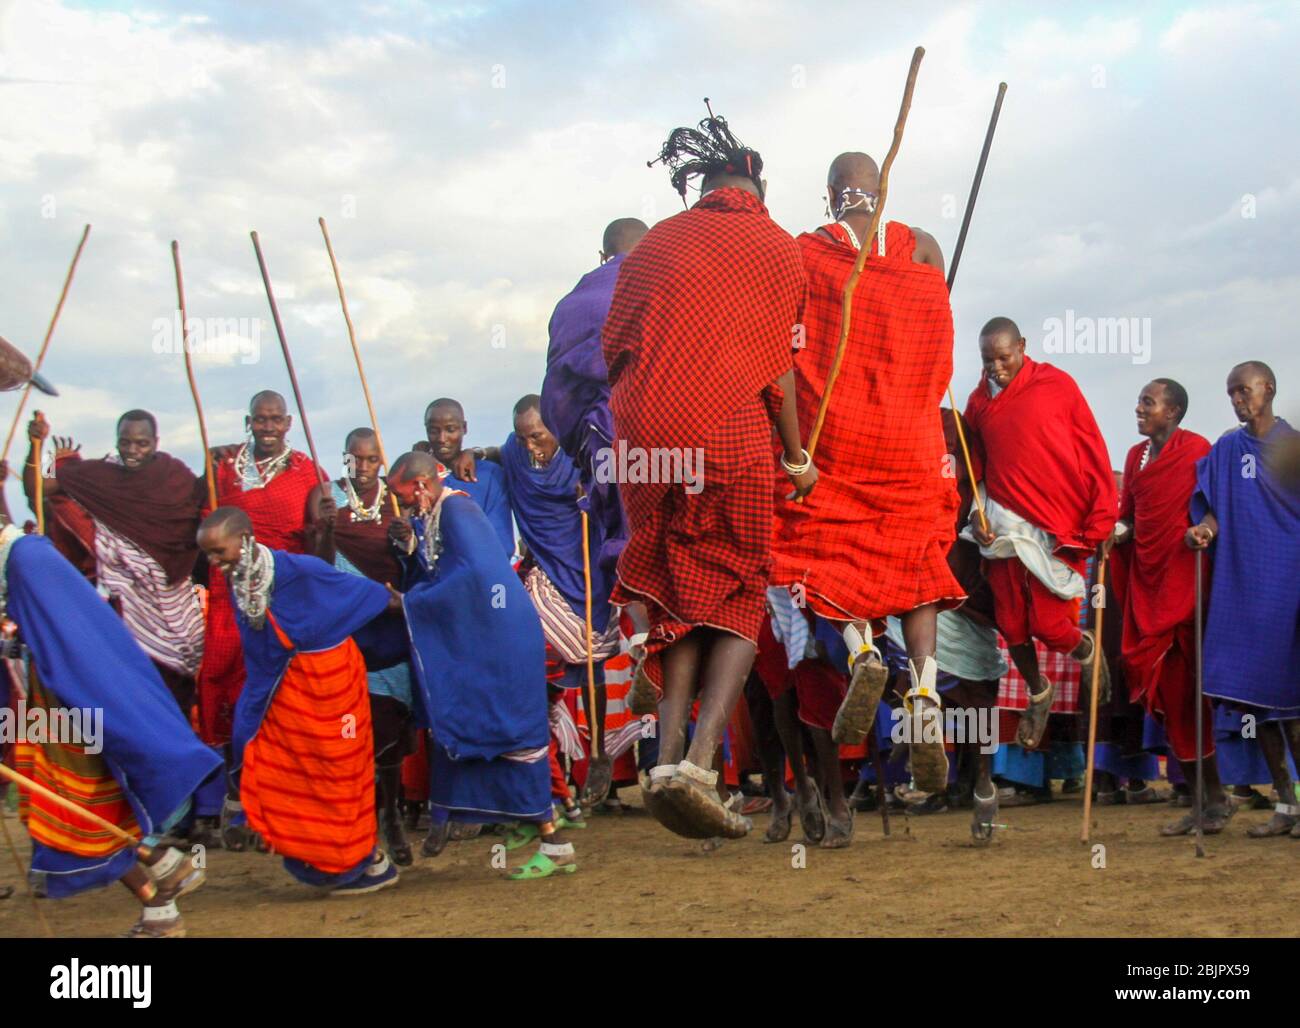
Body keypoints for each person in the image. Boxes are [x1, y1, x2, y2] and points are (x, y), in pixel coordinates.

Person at [602, 107, 816, 839]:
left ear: (705, 184)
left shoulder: (654, 244)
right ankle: (698, 762)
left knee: (674, 595)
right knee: (738, 594)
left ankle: (661, 763)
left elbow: (615, 348)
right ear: (755, 186)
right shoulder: (777, 249)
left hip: (646, 445)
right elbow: (779, 374)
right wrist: (796, 457)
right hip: (728, 442)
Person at [769, 151, 964, 808]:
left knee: (826, 547)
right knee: (915, 563)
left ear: (831, 197)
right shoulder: (925, 247)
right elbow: (937, 349)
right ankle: (927, 690)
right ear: (884, 191)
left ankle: (859, 653)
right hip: (911, 439)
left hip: (841, 436)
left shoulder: (805, 252)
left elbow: (788, 350)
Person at [2, 521, 220, 937]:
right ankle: (159, 865)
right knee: (72, 806)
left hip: (69, 704)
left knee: (71, 810)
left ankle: (160, 898)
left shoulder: (28, 560)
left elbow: (75, 646)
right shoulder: (19, 559)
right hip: (53, 704)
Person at [387, 451, 576, 879]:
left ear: (420, 486)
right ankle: (513, 820)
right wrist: (410, 550)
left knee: (512, 732)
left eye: (404, 498)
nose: (405, 508)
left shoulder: (458, 510)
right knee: (468, 723)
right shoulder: (435, 516)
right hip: (480, 640)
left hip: (501, 641)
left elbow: (476, 576)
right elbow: (441, 569)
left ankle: (555, 840)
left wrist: (411, 603)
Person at [197, 506, 401, 894]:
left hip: (333, 686)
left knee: (339, 775)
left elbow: (365, 594)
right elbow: (260, 655)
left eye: (218, 552)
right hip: (288, 696)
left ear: (243, 540)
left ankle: (365, 858)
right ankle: (332, 860)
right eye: (208, 554)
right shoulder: (243, 583)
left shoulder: (299, 571)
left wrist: (419, 609)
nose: (213, 562)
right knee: (294, 775)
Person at [962, 318, 1116, 753]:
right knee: (1010, 624)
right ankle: (1038, 691)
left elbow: (1092, 447)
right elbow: (977, 467)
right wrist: (976, 514)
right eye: (988, 360)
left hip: (1054, 523)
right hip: (1002, 525)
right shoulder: (976, 403)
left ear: (1023, 347)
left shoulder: (1056, 385)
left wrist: (1102, 516)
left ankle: (1085, 649)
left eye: (1004, 357)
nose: (996, 368)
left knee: (1049, 625)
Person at [1103, 380, 1226, 833]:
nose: (1138, 409)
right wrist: (1115, 533)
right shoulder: (1135, 458)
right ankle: (1203, 801)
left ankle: (1216, 799)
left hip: (1187, 583)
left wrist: (1205, 531)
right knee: (1171, 699)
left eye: (1148, 403)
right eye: (1139, 401)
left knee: (1194, 694)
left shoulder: (1197, 449)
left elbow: (1216, 507)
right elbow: (1131, 519)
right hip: (1149, 585)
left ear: (1172, 411)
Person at [201, 390, 321, 845]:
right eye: (260, 420)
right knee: (224, 688)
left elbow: (315, 543)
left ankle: (280, 809)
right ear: (248, 421)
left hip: (281, 601)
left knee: (281, 700)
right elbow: (205, 530)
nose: (268, 427)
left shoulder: (308, 473)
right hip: (228, 599)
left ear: (288, 423)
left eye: (275, 420)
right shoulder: (223, 470)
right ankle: (234, 801)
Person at [25, 410, 206, 712]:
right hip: (123, 601)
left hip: (172, 600)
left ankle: (179, 745)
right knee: (130, 682)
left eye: (142, 443)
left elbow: (198, 516)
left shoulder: (175, 476)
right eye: (126, 443)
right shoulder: (98, 476)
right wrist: (35, 444)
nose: (133, 451)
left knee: (178, 686)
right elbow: (35, 489)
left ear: (156, 442)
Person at [1187, 361, 1300, 838]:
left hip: (1288, 587)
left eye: (1244, 390)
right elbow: (1214, 508)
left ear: (1268, 389)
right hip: (1241, 590)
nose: (1237, 399)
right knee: (1254, 704)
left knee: (1292, 705)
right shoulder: (1228, 449)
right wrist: (1204, 530)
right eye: (1231, 392)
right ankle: (1286, 806)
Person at [307, 427, 416, 865]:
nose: (365, 467)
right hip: (344, 626)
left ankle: (391, 814)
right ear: (345, 459)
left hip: (388, 626)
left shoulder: (394, 500)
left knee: (389, 725)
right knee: (348, 730)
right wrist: (327, 530)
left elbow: (415, 564)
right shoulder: (325, 496)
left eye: (372, 460)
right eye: (356, 459)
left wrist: (407, 540)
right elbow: (318, 568)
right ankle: (357, 826)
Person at [539, 217, 647, 581]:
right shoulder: (673, 290)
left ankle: (639, 628)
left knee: (626, 540)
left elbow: (558, 397)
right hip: (675, 440)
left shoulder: (572, 305)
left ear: (602, 256)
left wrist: (579, 447)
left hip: (606, 438)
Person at [422, 398, 514, 557]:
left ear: (464, 428)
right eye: (434, 430)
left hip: (483, 573)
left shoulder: (489, 475)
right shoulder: (419, 477)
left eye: (450, 429)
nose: (442, 438)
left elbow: (502, 544)